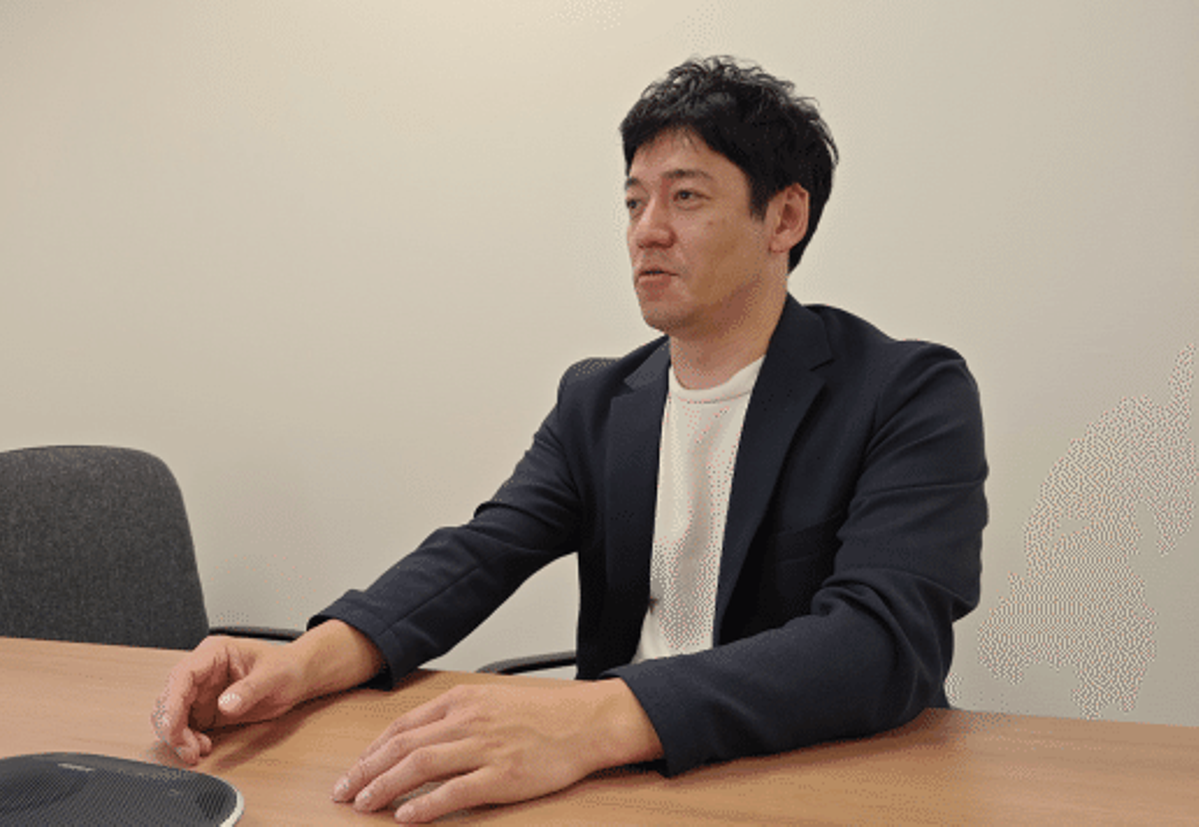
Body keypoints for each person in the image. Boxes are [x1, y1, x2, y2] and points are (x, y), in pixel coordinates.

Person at [153, 56, 987, 823]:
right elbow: (479, 554)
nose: (647, 230)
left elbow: (883, 641)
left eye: (686, 197)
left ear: (785, 217)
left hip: (811, 780)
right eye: (633, 201)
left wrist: (593, 715)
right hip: (620, 787)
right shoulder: (600, 400)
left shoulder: (904, 391)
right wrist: (300, 662)